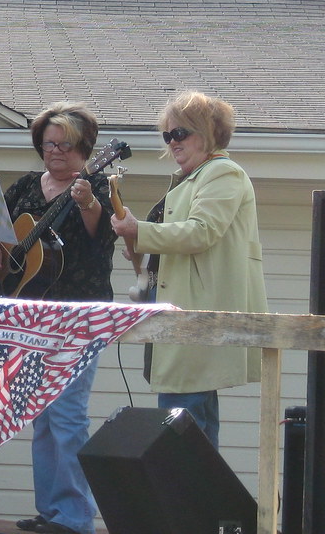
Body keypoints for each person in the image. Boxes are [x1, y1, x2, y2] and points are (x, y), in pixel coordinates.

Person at [0, 102, 115, 534]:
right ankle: (52, 512)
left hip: (78, 315)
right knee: (41, 414)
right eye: (48, 143)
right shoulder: (24, 186)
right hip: (29, 313)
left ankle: (76, 520)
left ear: (86, 148)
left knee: (68, 414)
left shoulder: (95, 187)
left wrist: (89, 202)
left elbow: (100, 234)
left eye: (66, 145)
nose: (55, 151)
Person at [110, 91, 268, 449]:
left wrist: (140, 231)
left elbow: (202, 231)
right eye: (168, 135)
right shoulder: (193, 177)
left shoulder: (222, 172)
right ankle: (192, 502)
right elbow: (181, 242)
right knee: (181, 421)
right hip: (180, 315)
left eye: (180, 133)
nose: (173, 142)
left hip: (196, 315)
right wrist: (141, 245)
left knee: (185, 427)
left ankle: (196, 503)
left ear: (208, 132)